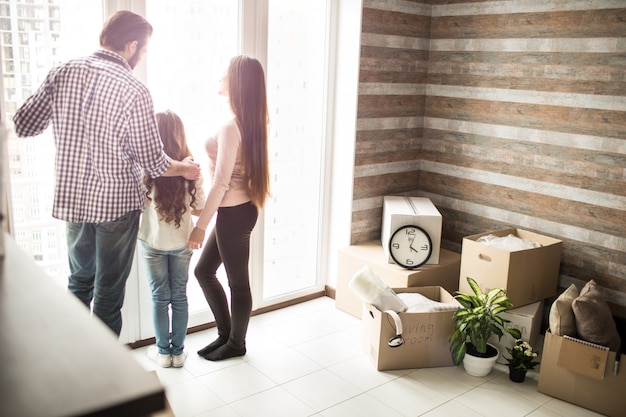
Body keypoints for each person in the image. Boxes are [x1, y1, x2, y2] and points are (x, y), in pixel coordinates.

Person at [12, 10, 201, 336]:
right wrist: (185, 167)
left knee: (79, 282)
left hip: (74, 202)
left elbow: (24, 124)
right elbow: (155, 162)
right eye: (143, 50)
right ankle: (106, 377)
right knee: (109, 293)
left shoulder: (62, 71)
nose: (141, 57)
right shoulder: (134, 89)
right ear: (131, 45)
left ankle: (77, 365)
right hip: (115, 207)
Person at [188, 55, 270, 361]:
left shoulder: (232, 127)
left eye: (226, 73)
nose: (220, 76)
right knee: (204, 271)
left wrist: (200, 225)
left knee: (236, 282)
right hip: (242, 210)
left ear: (237, 83)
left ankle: (236, 343)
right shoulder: (252, 122)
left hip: (232, 214)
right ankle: (227, 335)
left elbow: (221, 184)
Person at [138, 111, 206, 368]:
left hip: (152, 242)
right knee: (179, 296)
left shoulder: (146, 167)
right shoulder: (192, 169)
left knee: (159, 297)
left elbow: (139, 203)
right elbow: (199, 208)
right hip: (182, 243)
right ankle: (178, 353)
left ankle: (162, 353)